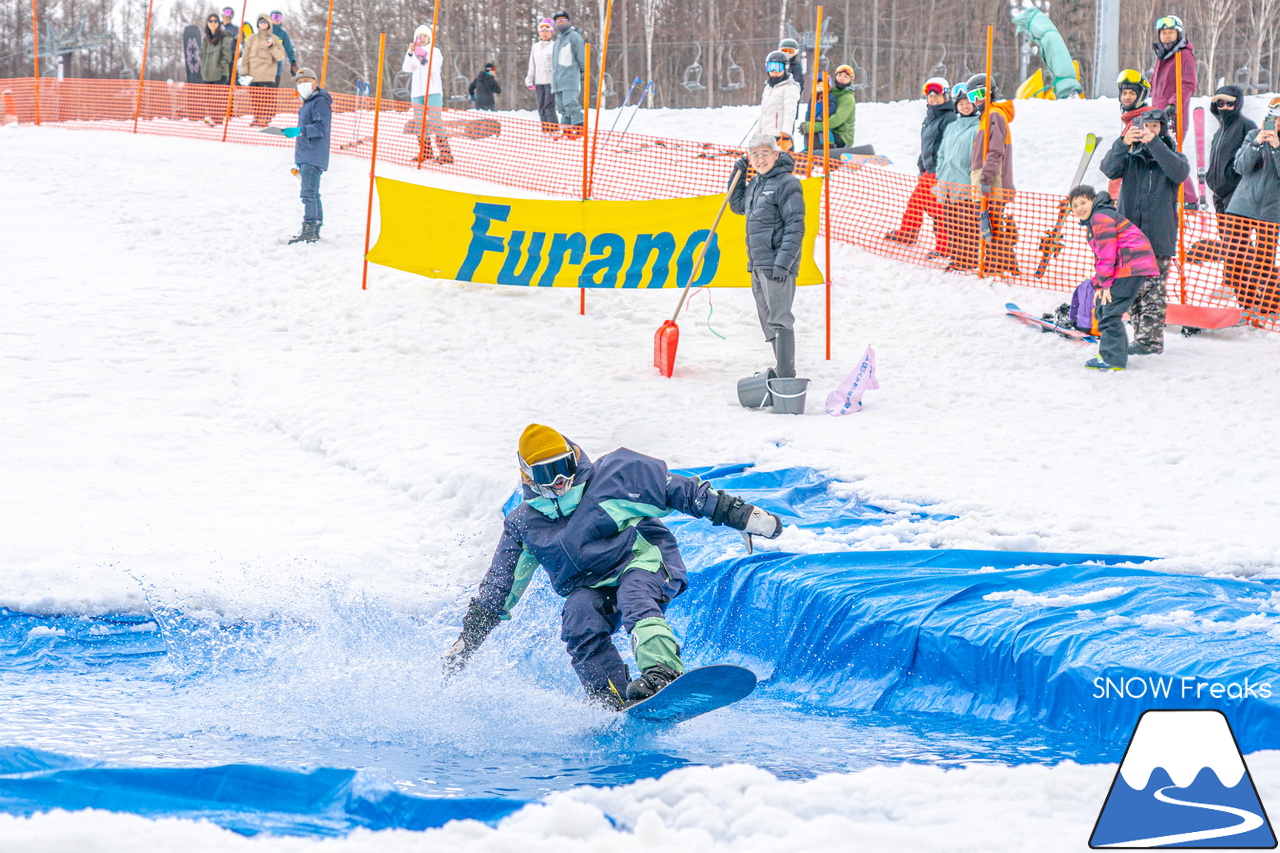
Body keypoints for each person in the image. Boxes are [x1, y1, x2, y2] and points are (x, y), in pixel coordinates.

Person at [442, 424, 784, 708]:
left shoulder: (613, 479)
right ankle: (610, 696)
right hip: (589, 584)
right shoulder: (525, 524)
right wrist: (468, 639)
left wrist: (740, 515)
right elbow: (501, 586)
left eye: (565, 466)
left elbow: (680, 490)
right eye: (548, 473)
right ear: (529, 477)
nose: (560, 480)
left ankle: (662, 672)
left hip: (641, 559)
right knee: (578, 617)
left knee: (635, 597)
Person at [1099, 107, 1189, 354]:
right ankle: (1140, 338)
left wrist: (1156, 144)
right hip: (1130, 237)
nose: (1149, 131)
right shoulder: (1130, 155)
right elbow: (1108, 168)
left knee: (1153, 292)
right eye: (1145, 127)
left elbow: (1179, 173)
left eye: (1155, 127)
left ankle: (1150, 342)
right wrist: (1123, 142)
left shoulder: (1173, 155)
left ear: (1163, 129)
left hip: (1158, 237)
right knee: (1133, 291)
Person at [729, 134, 805, 379]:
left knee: (780, 318)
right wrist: (737, 176)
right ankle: (780, 366)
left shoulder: (787, 183)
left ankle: (786, 374)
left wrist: (784, 262)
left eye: (764, 153)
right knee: (768, 319)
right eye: (754, 155)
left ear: (775, 155)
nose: (760, 159)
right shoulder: (756, 183)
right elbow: (738, 206)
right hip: (758, 263)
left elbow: (795, 225)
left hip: (777, 263)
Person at [1068, 185, 1161, 370]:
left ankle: (1113, 359)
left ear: (1093, 201)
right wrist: (1099, 283)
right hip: (1130, 264)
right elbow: (1103, 256)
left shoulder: (1099, 217)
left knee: (1109, 310)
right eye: (1075, 205)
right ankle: (1112, 353)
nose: (1080, 208)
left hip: (1131, 264)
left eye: (1083, 202)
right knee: (1105, 308)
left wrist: (1106, 283)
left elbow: (1107, 254)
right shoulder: (1097, 218)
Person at [1222, 99, 1280, 323]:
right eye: (1273, 119)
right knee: (1235, 254)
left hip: (1271, 211)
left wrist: (1276, 148)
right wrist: (1257, 143)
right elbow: (1240, 167)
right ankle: (1246, 302)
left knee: (1264, 259)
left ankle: (1265, 306)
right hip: (1242, 206)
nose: (1276, 124)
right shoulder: (1254, 135)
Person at [884, 77, 954, 254]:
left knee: (938, 209)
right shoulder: (930, 117)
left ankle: (944, 246)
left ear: (946, 96)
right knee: (916, 203)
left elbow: (949, 146)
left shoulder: (949, 117)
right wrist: (922, 163)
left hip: (939, 172)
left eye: (937, 96)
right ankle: (908, 233)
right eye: (930, 96)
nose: (933, 99)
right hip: (928, 170)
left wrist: (941, 170)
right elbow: (928, 144)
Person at [966, 72, 1018, 274]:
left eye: (980, 94)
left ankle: (998, 264)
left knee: (993, 224)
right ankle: (1002, 263)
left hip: (993, 181)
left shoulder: (994, 115)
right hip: (985, 179)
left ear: (991, 93)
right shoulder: (987, 116)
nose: (977, 100)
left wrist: (986, 177)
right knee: (989, 223)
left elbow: (996, 150)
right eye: (972, 96)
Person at [1149, 14, 1199, 207]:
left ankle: (1189, 199)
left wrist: (1173, 105)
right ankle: (1172, 195)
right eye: (1163, 33)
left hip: (1173, 116)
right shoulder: (1162, 55)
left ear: (1178, 34)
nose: (1167, 37)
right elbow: (1156, 82)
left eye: (1170, 32)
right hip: (1157, 115)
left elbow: (1188, 84)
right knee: (1161, 155)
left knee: (1171, 156)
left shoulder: (1183, 54)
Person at [933, 81, 982, 269]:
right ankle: (956, 257)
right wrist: (940, 175)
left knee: (966, 226)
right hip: (947, 184)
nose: (965, 106)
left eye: (968, 102)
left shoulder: (978, 128)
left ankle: (968, 260)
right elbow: (942, 154)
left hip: (965, 185)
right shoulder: (951, 127)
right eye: (961, 103)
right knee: (950, 224)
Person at [279, 68, 331, 245]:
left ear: (315, 82)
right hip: (305, 154)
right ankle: (313, 227)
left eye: (306, 81)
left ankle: (310, 228)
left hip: (313, 154)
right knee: (311, 193)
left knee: (308, 193)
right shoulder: (307, 103)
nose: (302, 85)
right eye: (299, 82)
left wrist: (299, 131)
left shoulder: (320, 102)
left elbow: (320, 129)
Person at [401, 25, 452, 165]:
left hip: (432, 91)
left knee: (436, 121)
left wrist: (423, 55)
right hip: (417, 93)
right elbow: (406, 68)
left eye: (424, 36)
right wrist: (410, 53)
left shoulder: (434, 51)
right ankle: (426, 151)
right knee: (419, 122)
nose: (421, 38)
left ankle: (445, 152)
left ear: (428, 38)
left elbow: (434, 69)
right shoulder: (413, 52)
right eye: (419, 36)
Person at [1206, 85, 1257, 214]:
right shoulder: (1220, 131)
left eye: (1229, 104)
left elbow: (1255, 157)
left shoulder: (1246, 125)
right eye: (1220, 104)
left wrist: (1236, 179)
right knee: (1224, 234)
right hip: (1219, 193)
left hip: (1237, 194)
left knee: (1235, 234)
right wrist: (1210, 177)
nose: (1224, 108)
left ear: (1237, 104)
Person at [1107, 70, 1151, 200]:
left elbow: (1130, 161)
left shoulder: (1145, 120)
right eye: (1124, 93)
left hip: (1132, 197)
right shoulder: (1132, 119)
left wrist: (1116, 197)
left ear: (1141, 96)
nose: (1127, 97)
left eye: (1132, 93)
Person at [238, 15, 286, 127]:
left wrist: (271, 46)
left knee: (266, 100)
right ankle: (257, 117)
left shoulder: (274, 39)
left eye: (265, 22)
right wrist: (244, 72)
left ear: (269, 23)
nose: (263, 24)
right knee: (255, 99)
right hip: (252, 76)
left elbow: (279, 56)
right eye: (261, 21)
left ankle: (265, 118)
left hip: (267, 76)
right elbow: (245, 57)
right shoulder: (251, 38)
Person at [798, 65, 856, 152]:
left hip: (841, 135)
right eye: (839, 75)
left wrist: (812, 126)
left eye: (846, 77)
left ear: (850, 80)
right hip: (829, 130)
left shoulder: (848, 98)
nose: (842, 78)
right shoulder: (830, 92)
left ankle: (819, 152)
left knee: (818, 134)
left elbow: (836, 120)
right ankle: (810, 151)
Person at [550, 10, 586, 137]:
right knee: (562, 109)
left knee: (570, 105)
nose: (561, 23)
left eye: (563, 20)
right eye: (558, 21)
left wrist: (584, 70)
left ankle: (579, 129)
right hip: (557, 81)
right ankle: (566, 131)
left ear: (568, 21)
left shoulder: (574, 36)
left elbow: (581, 55)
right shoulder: (557, 41)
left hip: (570, 78)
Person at [754, 49, 801, 145]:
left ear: (785, 68)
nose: (774, 71)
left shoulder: (790, 87)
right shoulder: (768, 88)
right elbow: (764, 114)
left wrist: (786, 135)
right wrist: (756, 135)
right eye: (770, 67)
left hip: (779, 137)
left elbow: (790, 112)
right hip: (766, 137)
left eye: (778, 67)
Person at [525, 18, 557, 132]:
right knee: (541, 107)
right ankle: (545, 129)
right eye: (542, 31)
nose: (544, 33)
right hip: (539, 81)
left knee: (549, 107)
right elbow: (532, 64)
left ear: (551, 32)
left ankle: (553, 129)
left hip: (550, 81)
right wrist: (529, 80)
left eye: (547, 30)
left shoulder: (555, 46)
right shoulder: (535, 47)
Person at [200, 13, 233, 86]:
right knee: (207, 97)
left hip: (219, 77)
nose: (213, 23)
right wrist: (203, 68)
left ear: (219, 23)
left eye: (215, 21)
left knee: (218, 97)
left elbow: (226, 57)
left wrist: (221, 70)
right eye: (210, 21)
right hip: (206, 76)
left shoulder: (224, 37)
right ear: (207, 23)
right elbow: (202, 55)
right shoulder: (206, 39)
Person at [268, 11, 297, 87]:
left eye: (279, 18)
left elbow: (289, 48)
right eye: (275, 17)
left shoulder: (283, 34)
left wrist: (293, 62)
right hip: (263, 67)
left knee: (272, 92)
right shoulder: (265, 31)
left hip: (276, 68)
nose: (277, 19)